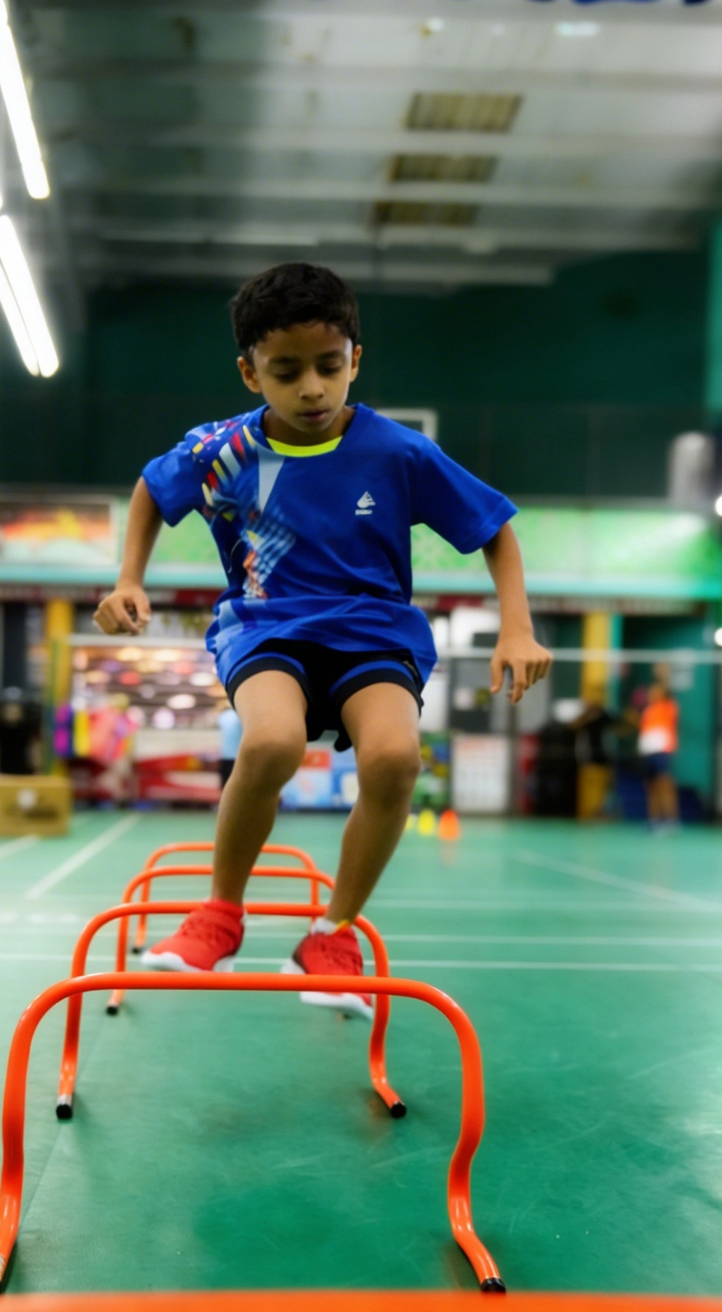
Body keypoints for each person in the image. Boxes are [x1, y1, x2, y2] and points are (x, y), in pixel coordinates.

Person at [95, 263, 551, 1019]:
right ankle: (220, 914)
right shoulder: (222, 452)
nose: (312, 387)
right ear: (250, 374)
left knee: (397, 759)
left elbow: (494, 528)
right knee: (271, 743)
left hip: (374, 632)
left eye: (328, 367)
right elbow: (151, 488)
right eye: (287, 371)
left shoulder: (397, 451)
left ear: (356, 362)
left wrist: (518, 625)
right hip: (268, 622)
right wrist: (129, 579)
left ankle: (331, 932)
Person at [638, 679, 679, 830]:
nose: (652, 693)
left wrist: (663, 674)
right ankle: (654, 820)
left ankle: (671, 821)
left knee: (664, 785)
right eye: (651, 690)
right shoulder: (648, 710)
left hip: (661, 751)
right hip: (647, 752)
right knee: (651, 787)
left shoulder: (668, 706)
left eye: (656, 690)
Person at [216, 700, 243, 789]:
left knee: (225, 787)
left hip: (225, 755)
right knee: (238, 787)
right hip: (239, 756)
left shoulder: (223, 717)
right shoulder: (239, 715)